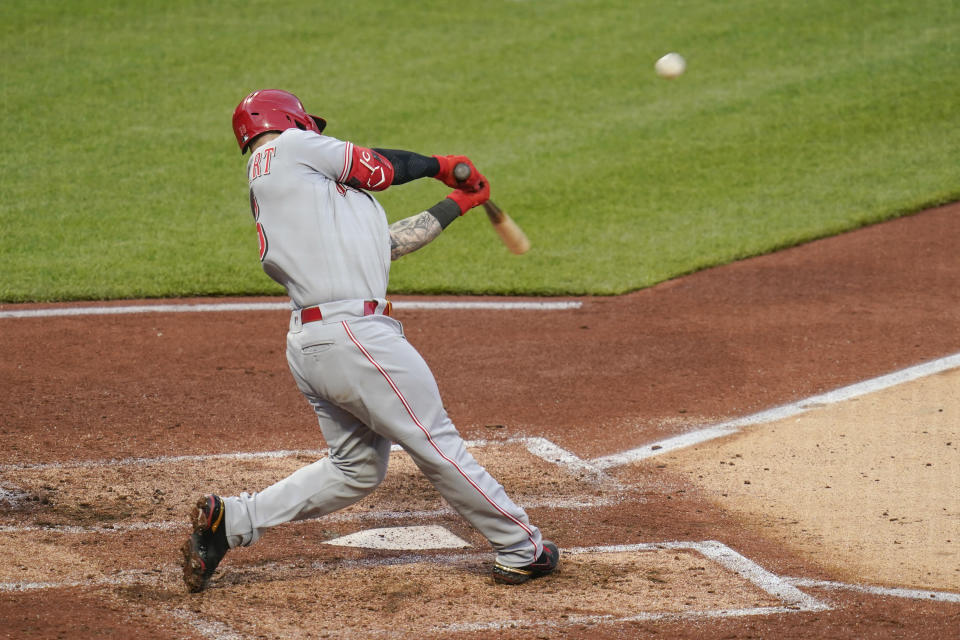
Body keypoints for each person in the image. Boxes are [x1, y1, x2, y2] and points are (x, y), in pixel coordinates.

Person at [180, 89, 559, 592]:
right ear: (292, 121)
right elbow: (378, 166)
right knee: (435, 443)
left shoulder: (299, 192)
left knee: (355, 469)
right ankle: (521, 547)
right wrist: (440, 164)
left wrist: (457, 202)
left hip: (315, 343)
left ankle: (232, 521)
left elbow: (386, 245)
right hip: (356, 338)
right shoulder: (289, 148)